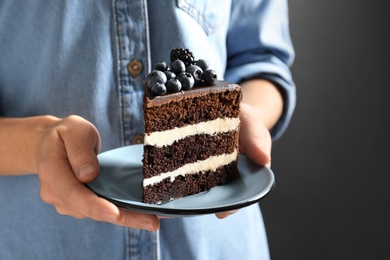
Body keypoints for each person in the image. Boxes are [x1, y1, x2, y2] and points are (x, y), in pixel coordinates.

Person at [0, 0, 295, 259]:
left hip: (218, 244)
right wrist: (37, 142)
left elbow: (262, 62)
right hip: (49, 242)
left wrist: (242, 118)